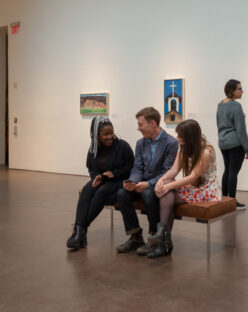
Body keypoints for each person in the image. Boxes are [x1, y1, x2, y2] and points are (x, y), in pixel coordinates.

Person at [149, 119, 221, 258]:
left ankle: (163, 240)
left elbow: (193, 177)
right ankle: (163, 238)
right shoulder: (184, 148)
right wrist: (161, 180)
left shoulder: (206, 151)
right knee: (167, 193)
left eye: (180, 136)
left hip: (204, 188)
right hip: (192, 187)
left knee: (167, 195)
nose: (178, 138)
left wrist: (167, 186)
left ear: (190, 136)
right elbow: (174, 170)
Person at [115, 107, 178, 255]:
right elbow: (137, 168)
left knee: (149, 194)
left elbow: (167, 172)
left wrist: (148, 184)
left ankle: (155, 237)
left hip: (160, 185)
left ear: (153, 123)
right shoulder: (140, 143)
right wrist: (132, 181)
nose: (138, 128)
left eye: (140, 124)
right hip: (141, 184)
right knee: (122, 194)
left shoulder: (171, 143)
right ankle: (135, 236)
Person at [67, 116, 134, 249]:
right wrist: (96, 176)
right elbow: (91, 168)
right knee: (86, 189)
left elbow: (131, 168)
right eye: (105, 134)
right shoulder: (93, 148)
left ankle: (80, 229)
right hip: (102, 180)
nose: (110, 136)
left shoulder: (122, 146)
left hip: (119, 181)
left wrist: (114, 173)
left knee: (101, 192)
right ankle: (79, 231)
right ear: (97, 135)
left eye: (111, 132)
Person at [216, 79, 248, 210]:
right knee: (233, 172)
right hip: (235, 143)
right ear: (232, 91)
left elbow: (218, 124)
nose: (242, 91)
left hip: (223, 142)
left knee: (227, 170)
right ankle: (232, 202)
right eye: (240, 89)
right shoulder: (236, 106)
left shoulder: (220, 104)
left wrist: (222, 138)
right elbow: (241, 130)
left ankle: (224, 199)